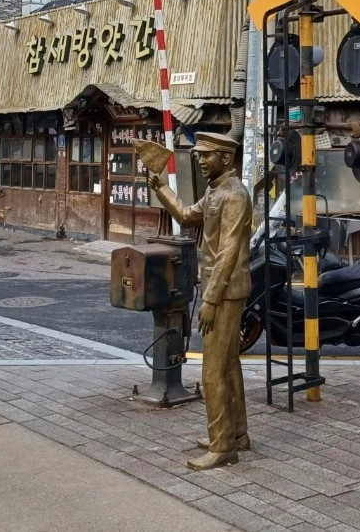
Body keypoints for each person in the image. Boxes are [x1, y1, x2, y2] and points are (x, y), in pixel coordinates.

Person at [148, 131, 253, 471]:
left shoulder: (234, 196)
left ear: (225, 158)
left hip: (225, 292)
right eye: (199, 155)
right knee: (229, 364)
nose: (201, 161)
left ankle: (222, 447)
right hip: (223, 290)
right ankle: (236, 433)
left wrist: (209, 299)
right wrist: (160, 188)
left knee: (212, 371)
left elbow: (228, 252)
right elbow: (186, 216)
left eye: (206, 155)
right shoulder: (215, 191)